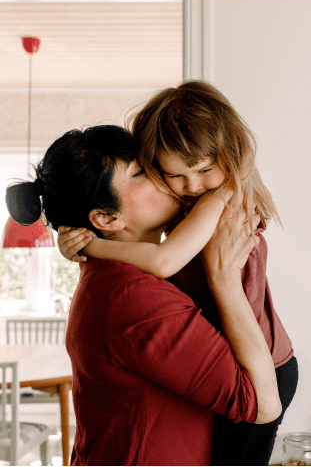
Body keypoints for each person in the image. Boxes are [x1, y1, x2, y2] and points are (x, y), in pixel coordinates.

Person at [5, 124, 282, 466]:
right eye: (139, 172)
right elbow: (261, 404)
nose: (159, 172)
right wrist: (223, 277)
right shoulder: (131, 297)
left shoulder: (113, 273)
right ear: (106, 218)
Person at [57, 81, 298, 466]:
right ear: (105, 217)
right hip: (248, 364)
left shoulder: (223, 198)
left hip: (265, 365)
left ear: (228, 153)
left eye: (203, 169)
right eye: (151, 173)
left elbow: (164, 260)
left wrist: (93, 246)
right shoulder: (129, 287)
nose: (189, 185)